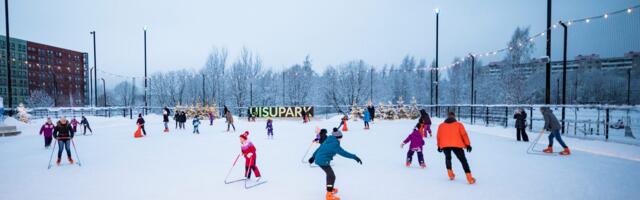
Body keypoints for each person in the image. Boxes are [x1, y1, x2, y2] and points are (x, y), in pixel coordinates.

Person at [308, 130, 362, 200]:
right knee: (331, 176)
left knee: (330, 175)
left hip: (320, 159)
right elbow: (344, 153)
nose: (341, 139)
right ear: (338, 137)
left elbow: (319, 148)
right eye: (340, 138)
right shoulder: (335, 144)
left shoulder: (328, 139)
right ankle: (329, 194)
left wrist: (313, 157)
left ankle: (330, 189)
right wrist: (355, 157)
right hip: (323, 161)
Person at [437, 112, 475, 184]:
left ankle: (450, 175)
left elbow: (439, 136)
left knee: (448, 158)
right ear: (454, 117)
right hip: (457, 145)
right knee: (463, 160)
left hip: (445, 145)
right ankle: (469, 178)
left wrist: (439, 146)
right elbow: (464, 135)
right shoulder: (459, 125)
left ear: (447, 117)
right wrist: (468, 144)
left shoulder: (441, 126)